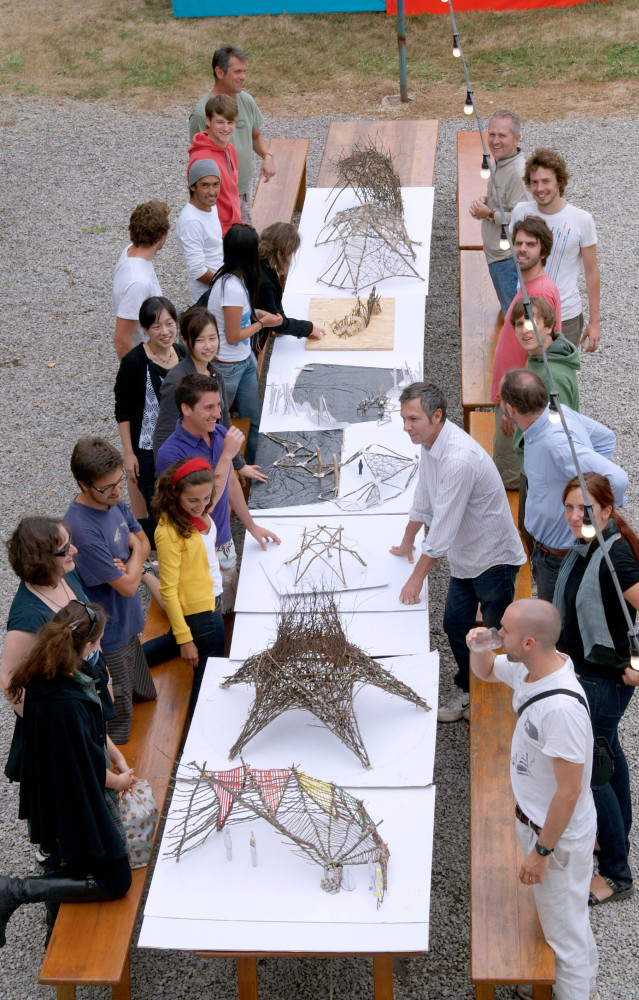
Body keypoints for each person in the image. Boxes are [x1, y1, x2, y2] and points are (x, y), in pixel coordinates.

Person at [469, 599, 599, 1000]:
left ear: (528, 642)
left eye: (502, 630)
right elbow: (488, 671)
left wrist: (541, 850)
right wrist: (480, 649)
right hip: (537, 823)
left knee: (566, 935)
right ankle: (560, 982)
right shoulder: (535, 667)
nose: (495, 632)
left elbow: (570, 790)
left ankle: (574, 991)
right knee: (563, 917)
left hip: (553, 837)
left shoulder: (560, 710)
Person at [0, 602, 134, 950]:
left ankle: (52, 914)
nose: (101, 649)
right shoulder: (66, 702)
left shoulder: (53, 673)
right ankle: (15, 890)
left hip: (58, 787)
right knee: (116, 881)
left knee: (67, 854)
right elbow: (86, 766)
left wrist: (116, 757)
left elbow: (89, 737)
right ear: (86, 647)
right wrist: (119, 781)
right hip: (73, 793)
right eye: (99, 642)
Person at [389, 382, 525, 723]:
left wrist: (415, 580)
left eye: (413, 419)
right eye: (404, 418)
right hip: (466, 558)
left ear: (437, 416)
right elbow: (424, 494)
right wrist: (407, 541)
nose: (406, 426)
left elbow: (444, 530)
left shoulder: (459, 460)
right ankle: (470, 687)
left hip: (493, 560)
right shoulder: (430, 443)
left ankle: (503, 697)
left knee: (496, 634)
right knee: (455, 625)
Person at [554, 472, 639, 906]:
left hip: (603, 680)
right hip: (588, 673)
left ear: (607, 510)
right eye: (568, 507)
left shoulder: (617, 558)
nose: (573, 517)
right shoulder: (590, 543)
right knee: (609, 755)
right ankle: (613, 837)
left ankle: (617, 875)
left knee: (592, 773)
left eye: (584, 509)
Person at [0, 517, 114, 784]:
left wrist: (105, 675)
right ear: (40, 560)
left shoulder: (67, 573)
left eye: (70, 542)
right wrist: (52, 722)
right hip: (67, 712)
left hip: (86, 697)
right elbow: (7, 677)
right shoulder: (27, 616)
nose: (73, 551)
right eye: (64, 550)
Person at [155, 374, 281, 614]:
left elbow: (232, 483)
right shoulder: (170, 454)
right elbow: (204, 508)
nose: (217, 413)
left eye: (219, 406)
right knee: (211, 614)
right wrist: (225, 456)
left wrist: (252, 527)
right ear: (186, 409)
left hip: (223, 540)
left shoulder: (219, 433)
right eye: (209, 407)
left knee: (231, 606)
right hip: (197, 553)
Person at [499, 369, 628, 602]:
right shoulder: (555, 413)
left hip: (560, 558)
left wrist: (596, 509)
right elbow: (605, 439)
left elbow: (617, 479)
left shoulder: (556, 445)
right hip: (549, 553)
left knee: (558, 627)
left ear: (511, 409)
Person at [65, 438, 157, 744]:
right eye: (107, 487)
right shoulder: (82, 529)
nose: (118, 492)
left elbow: (143, 540)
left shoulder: (111, 500)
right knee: (119, 714)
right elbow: (130, 586)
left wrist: (132, 557)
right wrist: (137, 556)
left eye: (119, 482)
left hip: (128, 622)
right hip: (110, 633)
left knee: (143, 691)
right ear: (83, 484)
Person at [144, 458, 225, 713]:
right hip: (202, 614)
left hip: (207, 603)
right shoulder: (168, 532)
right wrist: (185, 639)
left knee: (167, 645)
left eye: (206, 498)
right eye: (194, 500)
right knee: (208, 683)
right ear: (175, 492)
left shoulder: (195, 510)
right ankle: (196, 738)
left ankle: (122, 665)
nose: (201, 506)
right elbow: (168, 590)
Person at [152, 306, 265, 486]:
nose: (208, 346)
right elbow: (163, 435)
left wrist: (239, 464)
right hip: (187, 470)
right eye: (200, 340)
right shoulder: (176, 381)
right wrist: (169, 482)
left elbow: (224, 420)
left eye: (213, 338)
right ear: (186, 340)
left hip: (211, 457)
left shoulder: (215, 373)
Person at [491, 215, 562, 489]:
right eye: (518, 242)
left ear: (543, 251)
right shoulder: (530, 285)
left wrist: (513, 406)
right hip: (510, 395)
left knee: (511, 478)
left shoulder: (540, 293)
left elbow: (538, 354)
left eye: (530, 244)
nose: (521, 248)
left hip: (516, 401)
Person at [512, 148, 600, 351]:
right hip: (525, 311)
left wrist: (594, 322)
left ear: (559, 182)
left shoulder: (581, 220)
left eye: (545, 181)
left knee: (558, 377)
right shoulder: (520, 212)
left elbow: (591, 271)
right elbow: (514, 260)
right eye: (534, 182)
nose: (539, 188)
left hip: (566, 315)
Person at [207, 223, 282, 464]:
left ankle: (255, 465)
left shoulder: (232, 279)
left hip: (244, 359)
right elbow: (232, 335)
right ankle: (228, 468)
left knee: (253, 418)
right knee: (218, 423)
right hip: (228, 365)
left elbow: (239, 315)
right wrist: (263, 324)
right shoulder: (230, 287)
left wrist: (257, 314)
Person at [114, 296, 186, 537]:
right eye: (156, 326)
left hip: (184, 444)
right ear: (145, 329)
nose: (165, 331)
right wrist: (129, 454)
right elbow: (122, 410)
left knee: (185, 504)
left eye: (169, 323)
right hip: (148, 452)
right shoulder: (134, 362)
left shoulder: (183, 354)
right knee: (161, 510)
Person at [189, 45, 275, 223]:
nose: (243, 77)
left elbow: (255, 135)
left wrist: (267, 155)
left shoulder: (246, 100)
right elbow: (197, 160)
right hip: (217, 198)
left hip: (243, 188)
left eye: (244, 72)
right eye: (237, 72)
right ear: (220, 72)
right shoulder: (201, 113)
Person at [469, 109, 527, 315]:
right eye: (492, 134)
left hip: (507, 260)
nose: (495, 140)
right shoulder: (500, 161)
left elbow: (525, 219)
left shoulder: (518, 173)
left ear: (516, 138)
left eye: (502, 135)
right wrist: (486, 202)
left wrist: (490, 214)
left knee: (515, 315)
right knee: (507, 309)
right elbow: (504, 201)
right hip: (496, 255)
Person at [254, 222, 325, 356]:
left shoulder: (260, 263)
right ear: (284, 253)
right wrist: (307, 328)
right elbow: (276, 321)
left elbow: (275, 312)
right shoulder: (264, 281)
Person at [112, 201, 171, 359]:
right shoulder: (138, 283)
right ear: (161, 237)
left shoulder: (129, 250)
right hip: (148, 358)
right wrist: (140, 377)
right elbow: (121, 341)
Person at [188, 95, 242, 236]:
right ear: (208, 121)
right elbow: (200, 203)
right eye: (220, 122)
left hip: (233, 229)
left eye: (230, 122)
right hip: (216, 235)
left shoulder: (230, 148)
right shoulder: (202, 160)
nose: (225, 128)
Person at [176, 159, 224, 307]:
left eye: (215, 184)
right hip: (208, 298)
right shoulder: (192, 221)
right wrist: (226, 284)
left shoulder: (210, 206)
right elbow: (197, 271)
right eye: (205, 185)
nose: (212, 192)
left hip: (220, 289)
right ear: (192, 187)